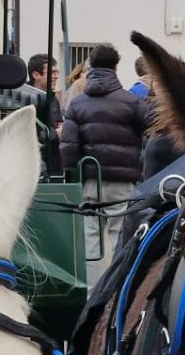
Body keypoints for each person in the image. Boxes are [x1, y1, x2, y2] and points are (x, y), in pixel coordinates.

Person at [59, 43, 151, 265]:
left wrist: (72, 172)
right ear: (116, 66)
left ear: (90, 65)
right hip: (124, 180)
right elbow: (149, 131)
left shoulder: (77, 103)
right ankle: (115, 292)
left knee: (91, 238)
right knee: (119, 235)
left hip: (91, 178)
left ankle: (91, 291)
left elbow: (68, 146)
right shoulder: (131, 102)